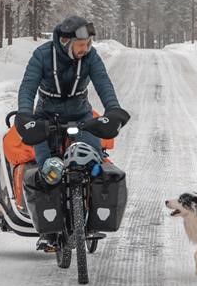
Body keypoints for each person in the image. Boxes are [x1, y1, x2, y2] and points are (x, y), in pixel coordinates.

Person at [15, 15, 130, 251]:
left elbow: (103, 83)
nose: (85, 49)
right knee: (47, 167)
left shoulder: (91, 56)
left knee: (93, 160)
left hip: (81, 115)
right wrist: (26, 116)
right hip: (47, 117)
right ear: (66, 42)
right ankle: (49, 231)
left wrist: (113, 110)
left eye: (88, 44)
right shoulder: (43, 55)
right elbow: (27, 87)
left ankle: (90, 218)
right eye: (81, 45)